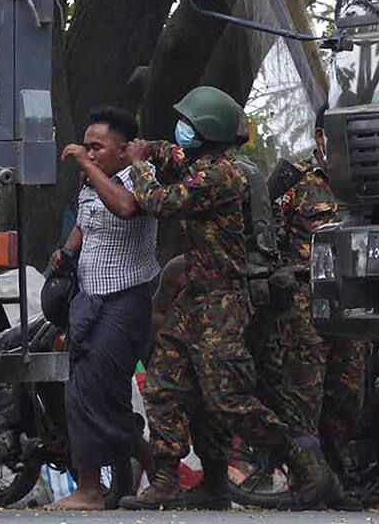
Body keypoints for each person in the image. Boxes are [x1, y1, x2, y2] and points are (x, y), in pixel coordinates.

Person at [119, 86, 337, 511]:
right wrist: (150, 148)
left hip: (224, 303)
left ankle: (301, 457)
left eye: (188, 124)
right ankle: (172, 481)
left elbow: (161, 201)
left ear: (205, 131)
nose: (181, 130)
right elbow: (173, 156)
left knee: (227, 400)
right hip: (195, 299)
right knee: (164, 385)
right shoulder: (203, 163)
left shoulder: (220, 176)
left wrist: (140, 164)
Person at [46, 106, 160, 511]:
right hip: (89, 299)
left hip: (124, 300)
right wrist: (66, 252)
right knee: (95, 394)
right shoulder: (92, 181)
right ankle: (159, 476)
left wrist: (87, 166)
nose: (89, 153)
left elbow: (125, 208)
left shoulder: (140, 178)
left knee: (92, 391)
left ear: (124, 149)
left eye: (98, 147)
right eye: (87, 146)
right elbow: (85, 221)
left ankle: (90, 490)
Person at [277, 104, 367, 483]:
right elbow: (267, 237)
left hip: (355, 300)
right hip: (306, 300)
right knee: (305, 391)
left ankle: (337, 474)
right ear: (321, 136)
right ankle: (306, 477)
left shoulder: (364, 181)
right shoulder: (294, 182)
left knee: (348, 392)